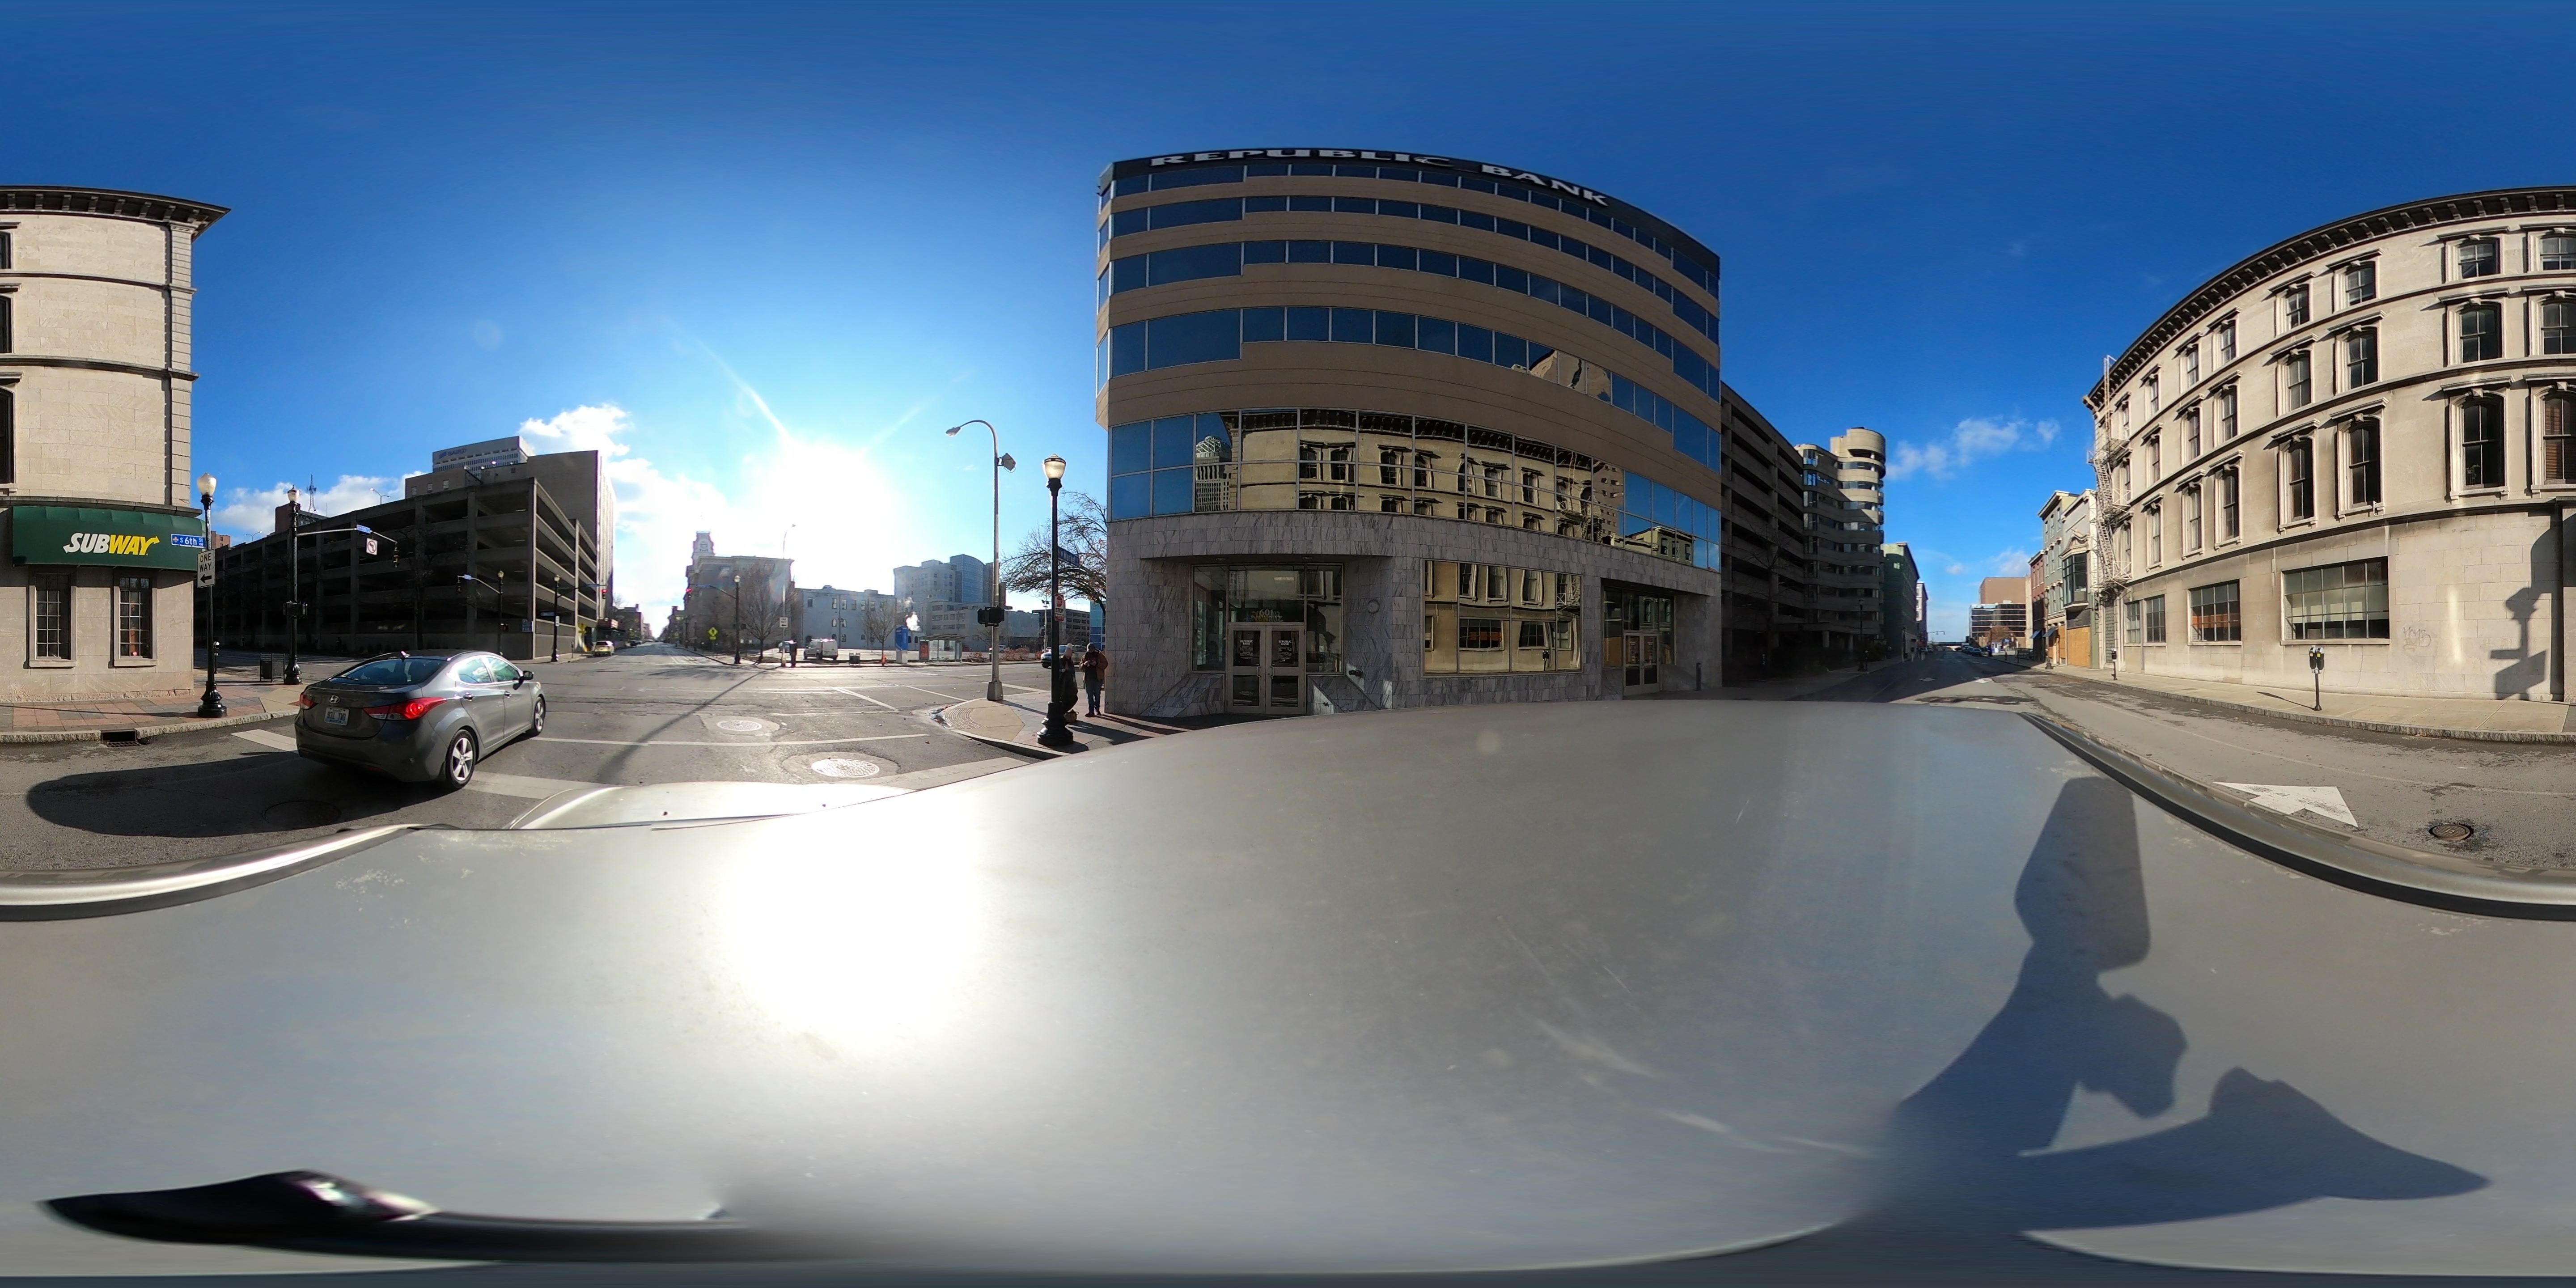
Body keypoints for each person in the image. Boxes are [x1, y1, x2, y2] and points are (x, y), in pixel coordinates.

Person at [1078, 645, 1109, 717]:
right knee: (1090, 696)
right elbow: (1080, 666)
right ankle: (1091, 711)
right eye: (1089, 649)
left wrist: (1097, 664)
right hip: (1088, 679)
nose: (1090, 651)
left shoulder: (1100, 656)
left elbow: (1105, 664)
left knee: (1097, 695)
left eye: (1092, 649)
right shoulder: (1085, 656)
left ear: (1094, 649)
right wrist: (1085, 664)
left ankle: (1097, 709)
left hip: (1097, 679)